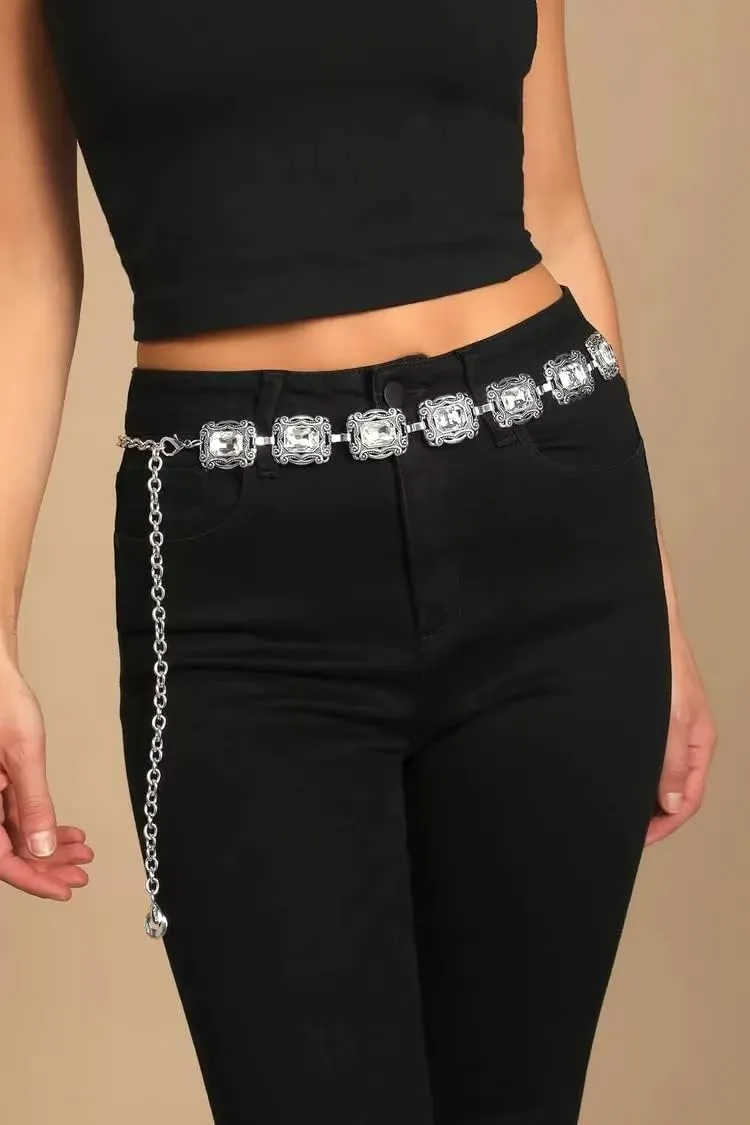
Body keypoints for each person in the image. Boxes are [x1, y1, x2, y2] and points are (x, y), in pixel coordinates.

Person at [0, 1, 716, 1123]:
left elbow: (555, 213)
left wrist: (658, 600)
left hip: (554, 536)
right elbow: (23, 274)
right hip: (243, 593)